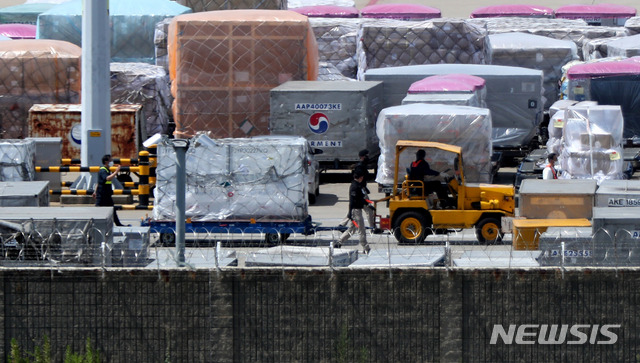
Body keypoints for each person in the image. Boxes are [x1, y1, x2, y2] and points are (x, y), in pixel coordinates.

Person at [335, 171, 370, 254]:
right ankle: (366, 247)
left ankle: (338, 243)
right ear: (360, 177)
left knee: (352, 229)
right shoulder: (354, 186)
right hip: (356, 211)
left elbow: (361, 198)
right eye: (362, 177)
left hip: (357, 210)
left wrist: (368, 204)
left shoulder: (358, 185)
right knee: (361, 229)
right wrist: (350, 213)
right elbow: (352, 201)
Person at [93, 154, 127, 227]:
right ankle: (94, 225)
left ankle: (118, 224)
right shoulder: (103, 170)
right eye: (110, 160)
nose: (112, 162)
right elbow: (107, 178)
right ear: (106, 162)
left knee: (112, 210)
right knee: (98, 210)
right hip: (102, 195)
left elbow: (98, 182)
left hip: (106, 195)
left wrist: (95, 192)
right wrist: (116, 172)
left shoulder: (107, 170)